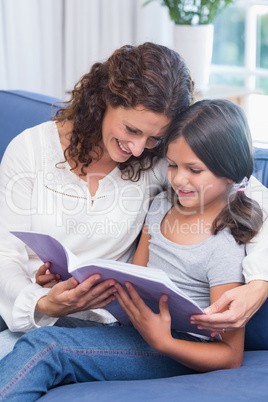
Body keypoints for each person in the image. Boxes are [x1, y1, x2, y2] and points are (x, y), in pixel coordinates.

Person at [0, 99, 264, 401]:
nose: (179, 179)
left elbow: (230, 355)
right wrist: (66, 280)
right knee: (17, 321)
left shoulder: (224, 245)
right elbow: (131, 281)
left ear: (230, 172)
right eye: (173, 165)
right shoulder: (161, 205)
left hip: (176, 346)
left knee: (48, 348)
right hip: (130, 327)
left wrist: (164, 342)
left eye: (194, 169)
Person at [0, 42, 194, 359]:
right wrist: (43, 302)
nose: (137, 148)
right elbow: (5, 255)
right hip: (29, 310)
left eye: (153, 138)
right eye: (131, 129)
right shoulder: (31, 151)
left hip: (104, 326)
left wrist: (260, 281)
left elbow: (247, 193)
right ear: (105, 99)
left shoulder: (157, 162)